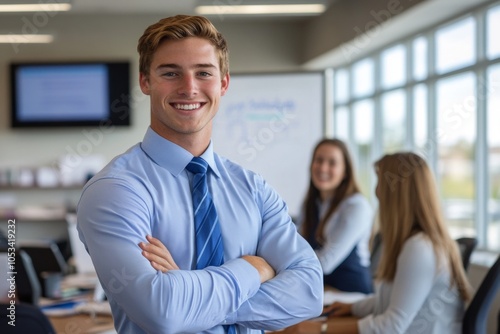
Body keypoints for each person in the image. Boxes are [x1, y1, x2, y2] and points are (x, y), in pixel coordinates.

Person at [76, 15, 323, 334]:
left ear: (223, 83)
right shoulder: (115, 190)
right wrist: (253, 268)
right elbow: (162, 313)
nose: (189, 88)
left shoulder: (252, 188)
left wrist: (189, 297)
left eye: (203, 73)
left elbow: (309, 293)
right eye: (170, 73)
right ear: (145, 82)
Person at [274, 152, 471, 334]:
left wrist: (322, 329)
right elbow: (393, 300)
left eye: (380, 184)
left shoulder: (420, 248)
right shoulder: (412, 243)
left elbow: (393, 325)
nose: (376, 191)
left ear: (396, 194)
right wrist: (352, 307)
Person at [295, 138, 374, 294]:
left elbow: (326, 262)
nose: (323, 168)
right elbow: (296, 247)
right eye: (319, 160)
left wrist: (278, 268)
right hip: (323, 291)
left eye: (332, 163)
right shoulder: (311, 204)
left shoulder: (356, 206)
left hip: (351, 296)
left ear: (345, 171)